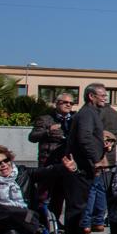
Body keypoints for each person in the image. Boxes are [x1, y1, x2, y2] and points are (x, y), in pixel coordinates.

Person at [65, 82, 108, 234]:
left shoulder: (91, 113)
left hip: (85, 165)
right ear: (91, 96)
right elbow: (84, 138)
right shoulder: (87, 114)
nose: (105, 98)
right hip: (80, 167)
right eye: (102, 95)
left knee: (82, 202)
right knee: (78, 203)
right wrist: (96, 159)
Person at [28, 92, 76, 220]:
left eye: (71, 103)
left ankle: (55, 219)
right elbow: (32, 137)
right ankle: (39, 219)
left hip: (66, 161)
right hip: (48, 161)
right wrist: (48, 131)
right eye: (65, 102)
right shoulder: (45, 118)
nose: (68, 105)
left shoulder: (74, 119)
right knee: (44, 193)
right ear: (57, 103)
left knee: (60, 193)